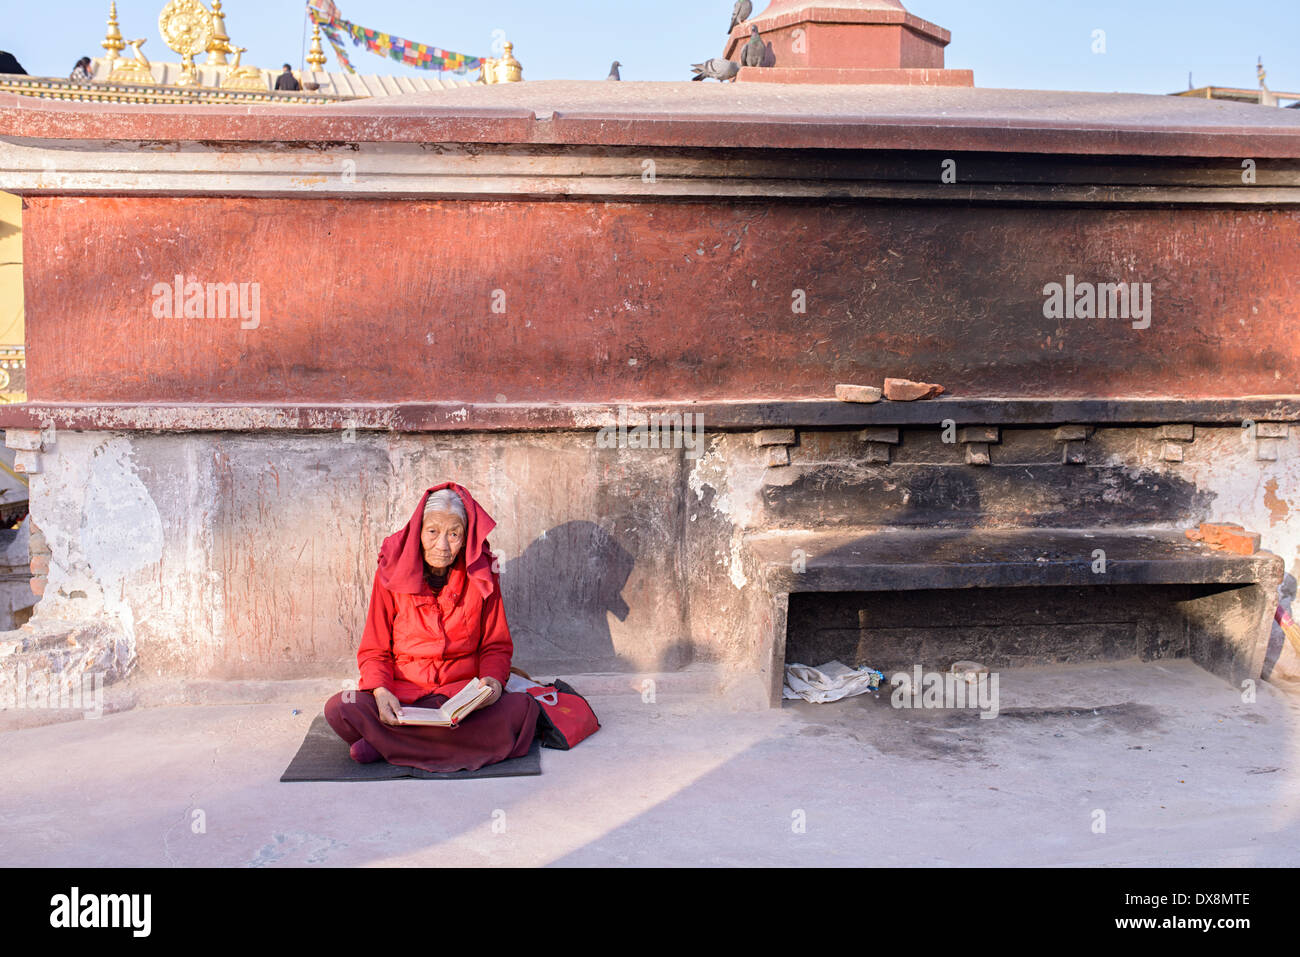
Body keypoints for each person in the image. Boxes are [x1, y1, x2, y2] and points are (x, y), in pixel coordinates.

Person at [323, 483, 540, 772]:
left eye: (454, 533)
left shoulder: (481, 572)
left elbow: (495, 646)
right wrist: (380, 691)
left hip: (461, 699)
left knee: (524, 711)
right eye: (433, 532)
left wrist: (493, 682)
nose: (443, 545)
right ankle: (437, 744)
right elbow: (375, 649)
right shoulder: (391, 571)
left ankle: (386, 744)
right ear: (418, 533)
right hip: (404, 697)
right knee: (341, 709)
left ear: (466, 538)